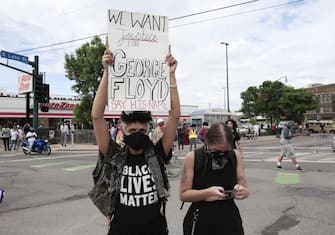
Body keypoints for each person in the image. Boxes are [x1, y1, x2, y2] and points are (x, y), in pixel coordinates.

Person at [91, 44, 180, 235]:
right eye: (132, 130)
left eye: (142, 129)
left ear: (148, 129)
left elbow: (174, 115)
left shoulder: (158, 152)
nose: (137, 133)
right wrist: (107, 72)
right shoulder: (114, 154)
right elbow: (97, 116)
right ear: (123, 130)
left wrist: (171, 75)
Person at [180, 122, 249, 235]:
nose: (222, 155)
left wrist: (242, 191)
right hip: (201, 219)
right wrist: (207, 193)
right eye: (216, 151)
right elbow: (183, 194)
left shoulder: (235, 155)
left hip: (230, 218)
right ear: (207, 142)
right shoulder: (193, 157)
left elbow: (245, 189)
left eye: (226, 151)